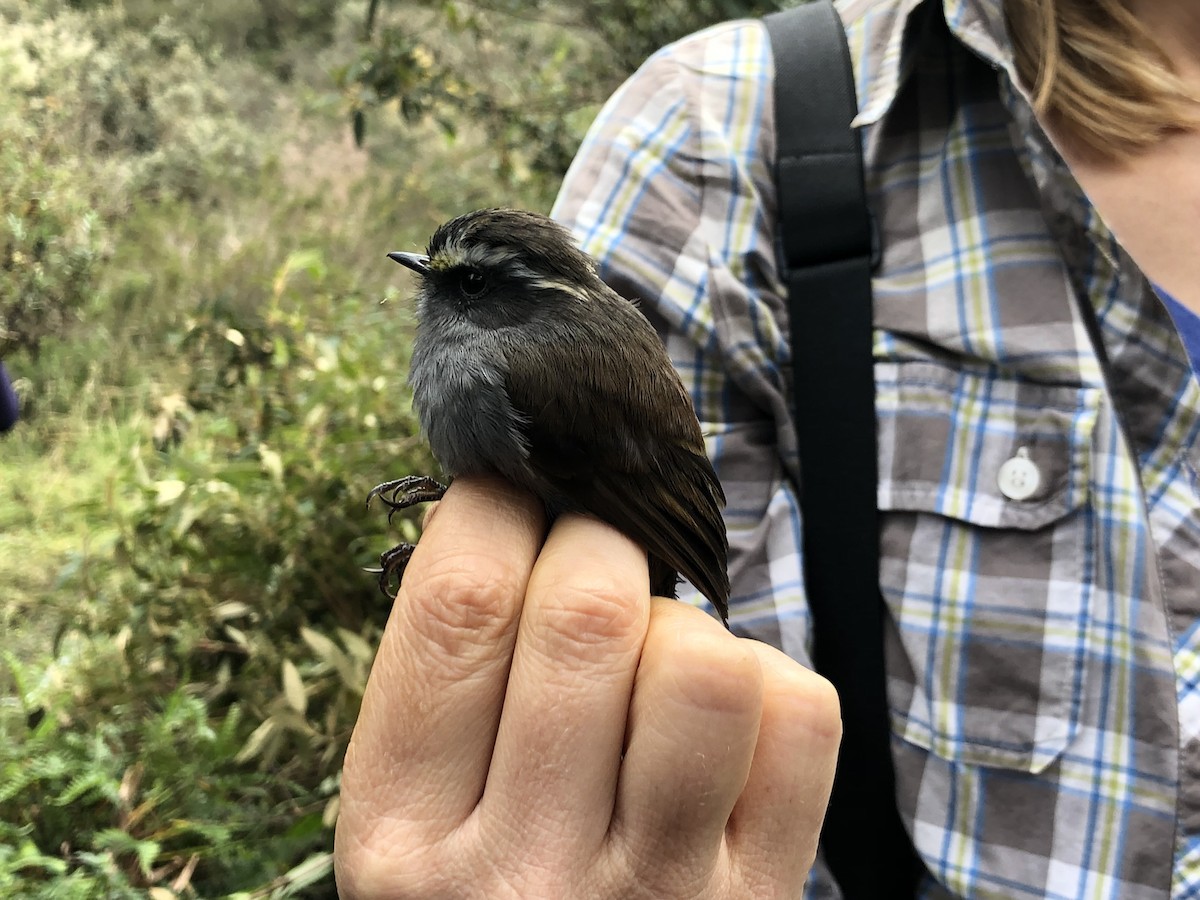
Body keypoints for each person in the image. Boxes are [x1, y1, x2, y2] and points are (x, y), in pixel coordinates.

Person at [334, 0, 1200, 896]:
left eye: (467, 285)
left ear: (509, 300)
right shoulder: (706, 140)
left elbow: (658, 507)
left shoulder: (529, 368)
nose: (436, 296)